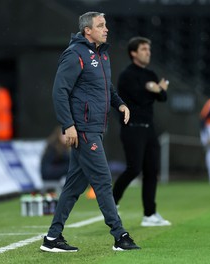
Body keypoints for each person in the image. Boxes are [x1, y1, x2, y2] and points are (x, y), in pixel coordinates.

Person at [40, 11, 140, 253]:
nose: (106, 29)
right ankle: (120, 235)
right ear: (88, 30)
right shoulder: (75, 54)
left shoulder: (101, 55)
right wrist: (68, 125)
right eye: (101, 25)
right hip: (83, 129)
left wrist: (120, 104)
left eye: (105, 25)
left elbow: (106, 87)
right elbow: (59, 91)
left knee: (74, 186)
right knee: (103, 181)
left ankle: (52, 238)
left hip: (94, 128)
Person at [112, 36, 171, 227]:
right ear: (133, 53)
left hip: (149, 128)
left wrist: (156, 89)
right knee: (133, 168)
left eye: (148, 49)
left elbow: (163, 96)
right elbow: (138, 99)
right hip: (132, 128)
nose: (148, 52)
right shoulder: (127, 75)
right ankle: (111, 203)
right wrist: (154, 90)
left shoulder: (150, 74)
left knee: (152, 171)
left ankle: (150, 214)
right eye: (144, 49)